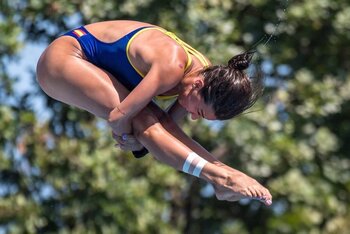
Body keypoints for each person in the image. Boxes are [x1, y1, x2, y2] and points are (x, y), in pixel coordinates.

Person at [36, 20, 272, 205]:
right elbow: (119, 118)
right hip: (63, 58)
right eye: (199, 111)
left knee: (152, 122)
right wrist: (129, 139)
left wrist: (139, 144)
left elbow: (166, 129)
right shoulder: (172, 67)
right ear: (198, 85)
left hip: (95, 66)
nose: (192, 117)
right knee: (142, 118)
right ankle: (221, 179)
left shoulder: (200, 74)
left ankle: (224, 173)